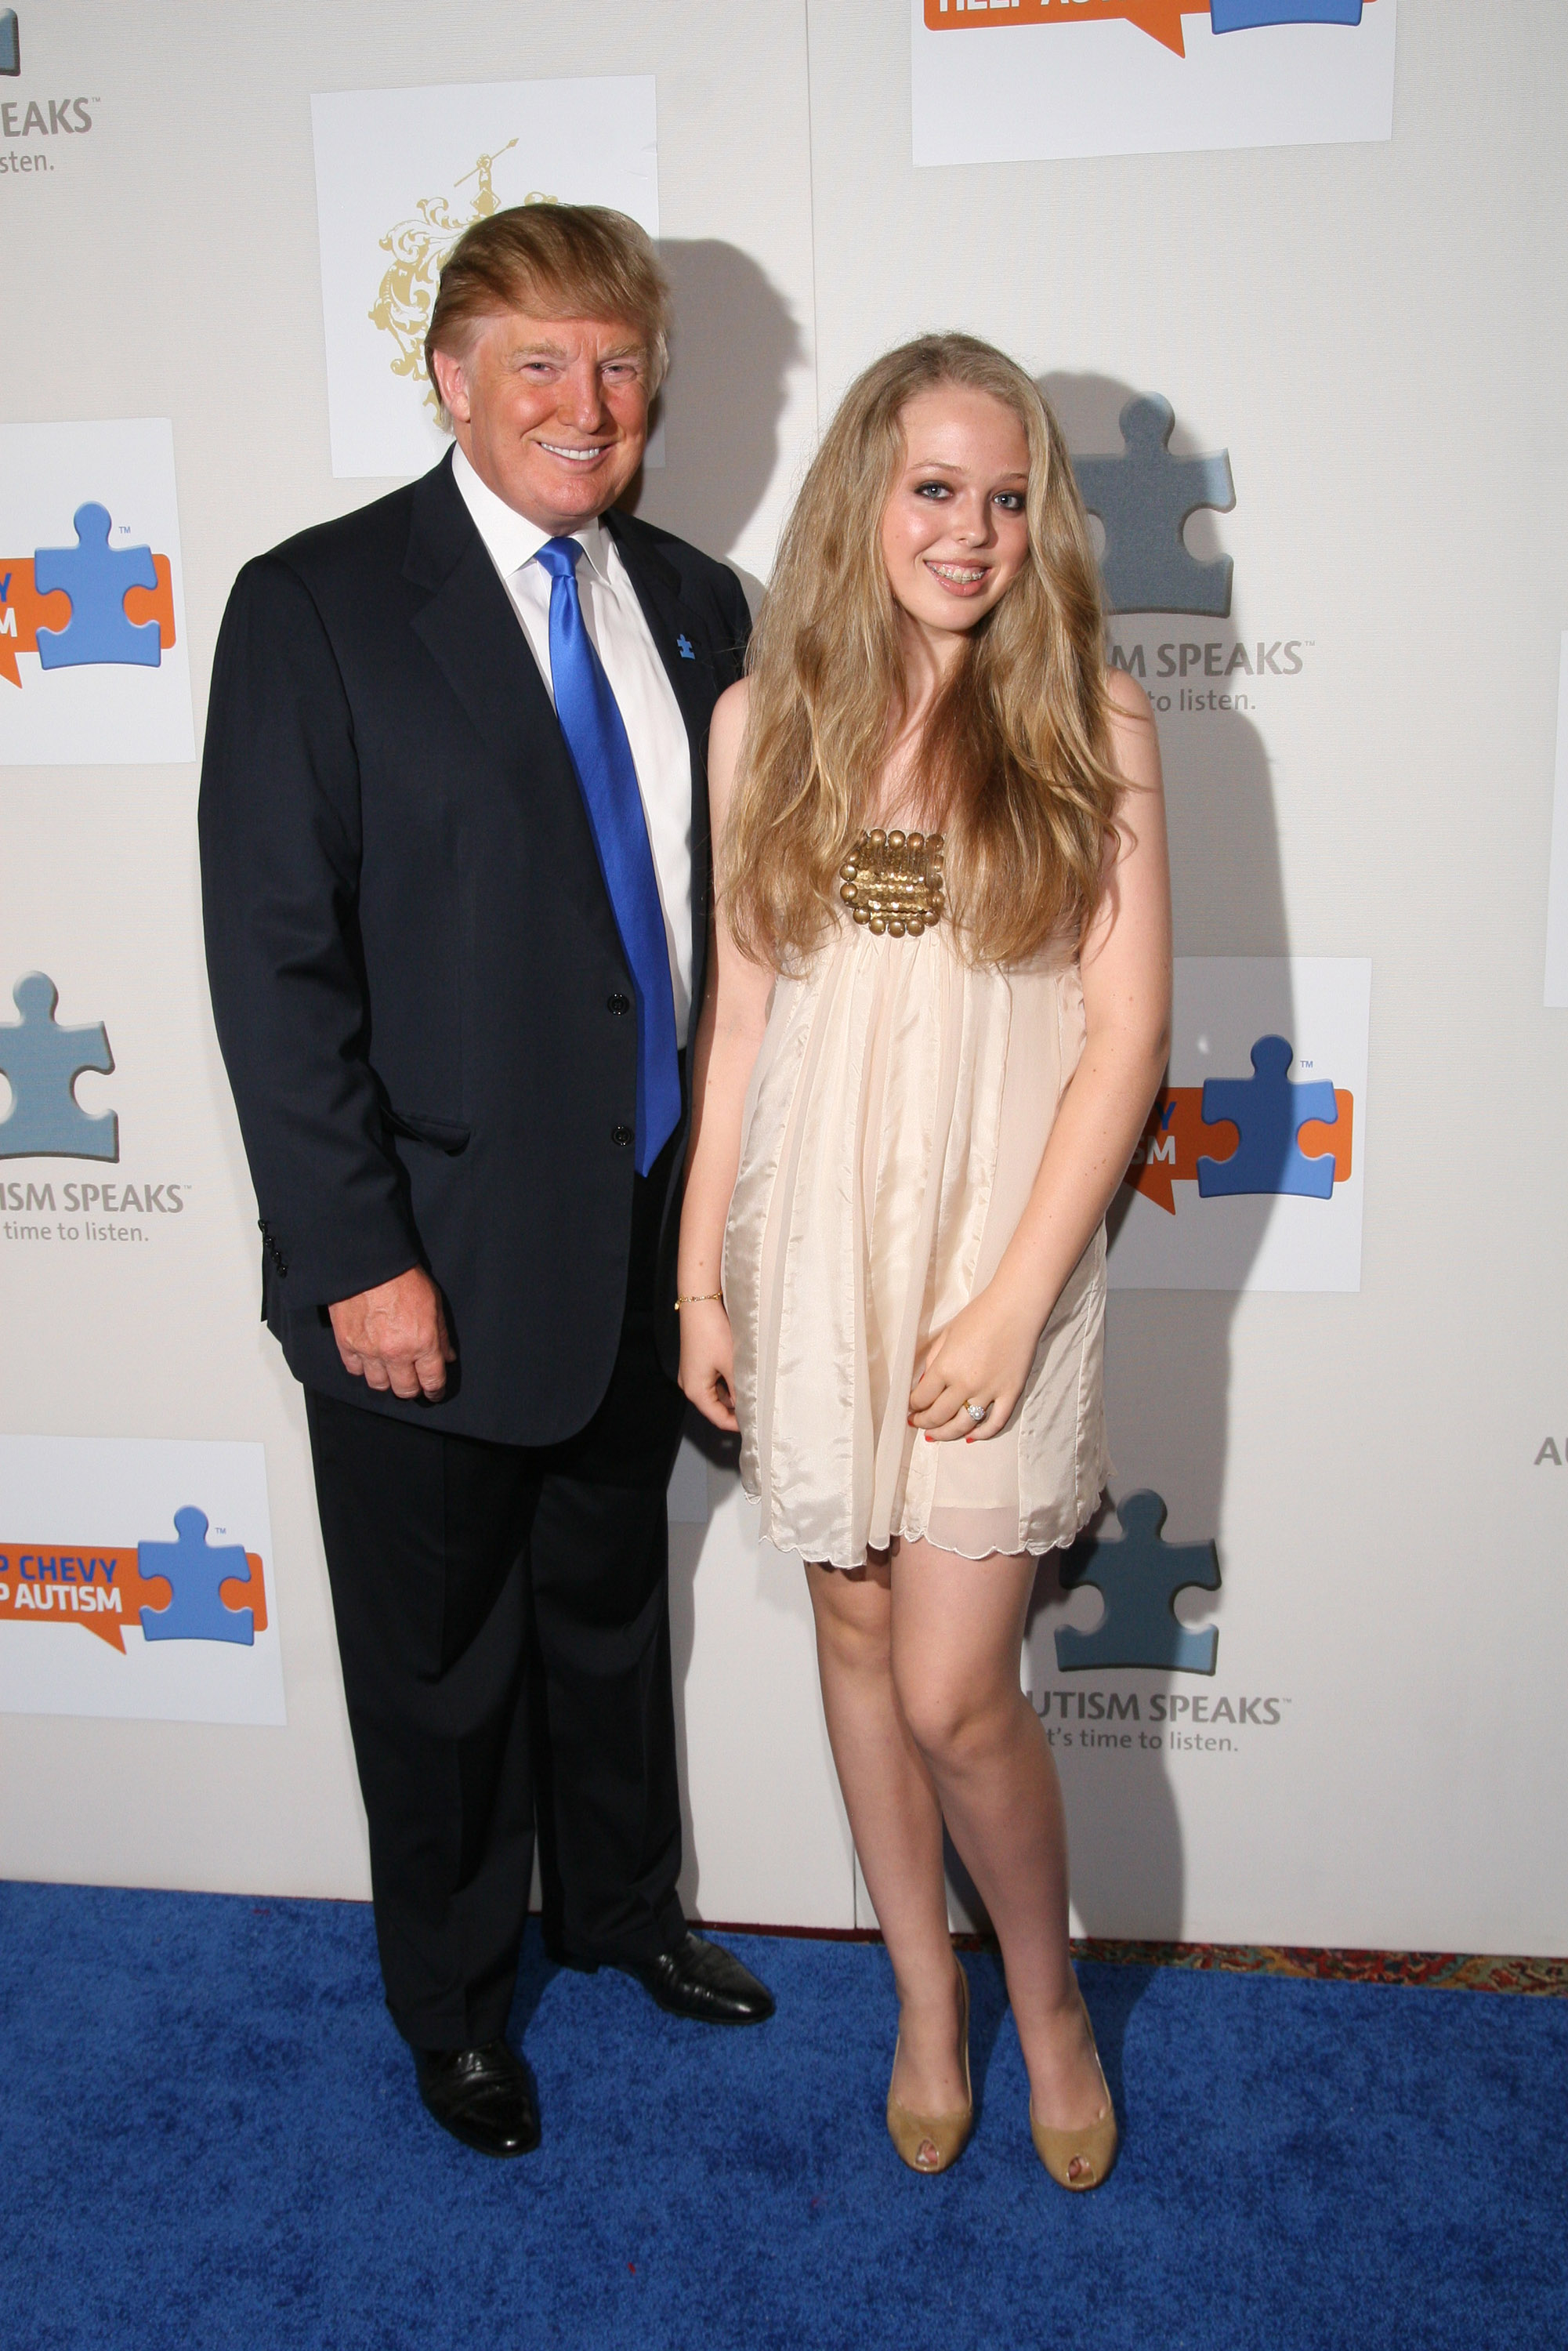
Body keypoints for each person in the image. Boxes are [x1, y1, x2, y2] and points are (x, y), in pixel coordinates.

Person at [199, 205, 775, 2161]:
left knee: (608, 1611)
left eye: (616, 365)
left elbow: (719, 936)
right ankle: (451, 2005)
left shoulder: (701, 602)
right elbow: (275, 965)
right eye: (535, 361)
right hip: (422, 1257)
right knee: (437, 1666)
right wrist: (360, 1254)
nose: (582, 403)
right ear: (445, 376)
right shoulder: (320, 604)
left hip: (642, 1227)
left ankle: (617, 1916)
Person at [679, 335, 1170, 2190]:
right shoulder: (761, 725)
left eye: (1007, 496)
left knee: (961, 1686)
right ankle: (920, 2000)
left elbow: (1119, 1042)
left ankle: (1042, 2004)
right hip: (804, 1250)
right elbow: (742, 1022)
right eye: (933, 489)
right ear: (862, 501)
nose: (968, 532)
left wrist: (1006, 1301)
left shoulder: (1087, 722)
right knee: (859, 1636)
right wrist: (699, 1286)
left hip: (997, 1265)